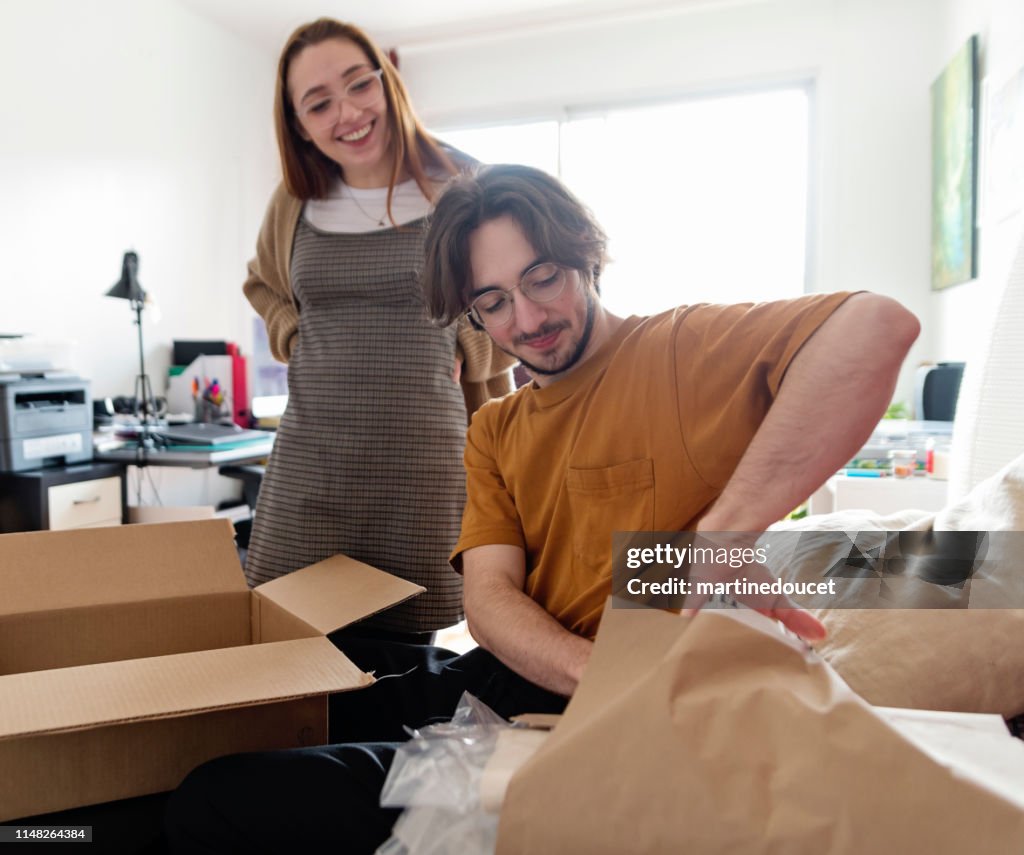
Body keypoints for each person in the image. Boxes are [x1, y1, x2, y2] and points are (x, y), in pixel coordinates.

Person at [165, 165, 920, 853]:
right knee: (236, 717)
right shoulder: (496, 426)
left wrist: (725, 532)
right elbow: (489, 597)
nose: (525, 319)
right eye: (492, 302)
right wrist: (597, 670)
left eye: (543, 279)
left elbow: (876, 327)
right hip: (521, 671)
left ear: (582, 255)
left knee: (219, 798)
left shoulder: (679, 350)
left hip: (567, 727)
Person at [242, 18, 514, 639]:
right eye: (318, 102)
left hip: (422, 474)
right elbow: (262, 284)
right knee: (287, 651)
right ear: (299, 124)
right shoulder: (293, 201)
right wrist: (294, 335)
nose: (347, 112)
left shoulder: (466, 186)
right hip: (311, 468)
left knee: (404, 669)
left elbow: (518, 298)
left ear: (386, 82)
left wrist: (464, 344)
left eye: (358, 84)